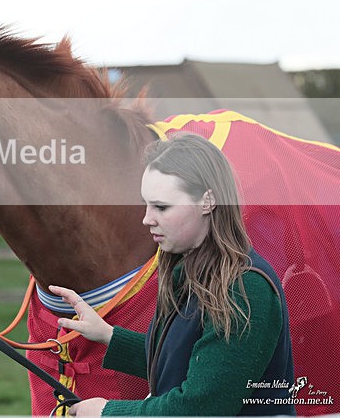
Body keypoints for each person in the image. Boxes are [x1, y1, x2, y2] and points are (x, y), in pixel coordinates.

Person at [50, 133, 295, 416]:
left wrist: (108, 412)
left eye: (161, 207)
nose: (146, 218)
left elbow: (200, 407)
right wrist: (107, 334)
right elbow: (186, 363)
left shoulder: (244, 287)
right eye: (146, 204)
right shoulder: (190, 270)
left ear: (207, 202)